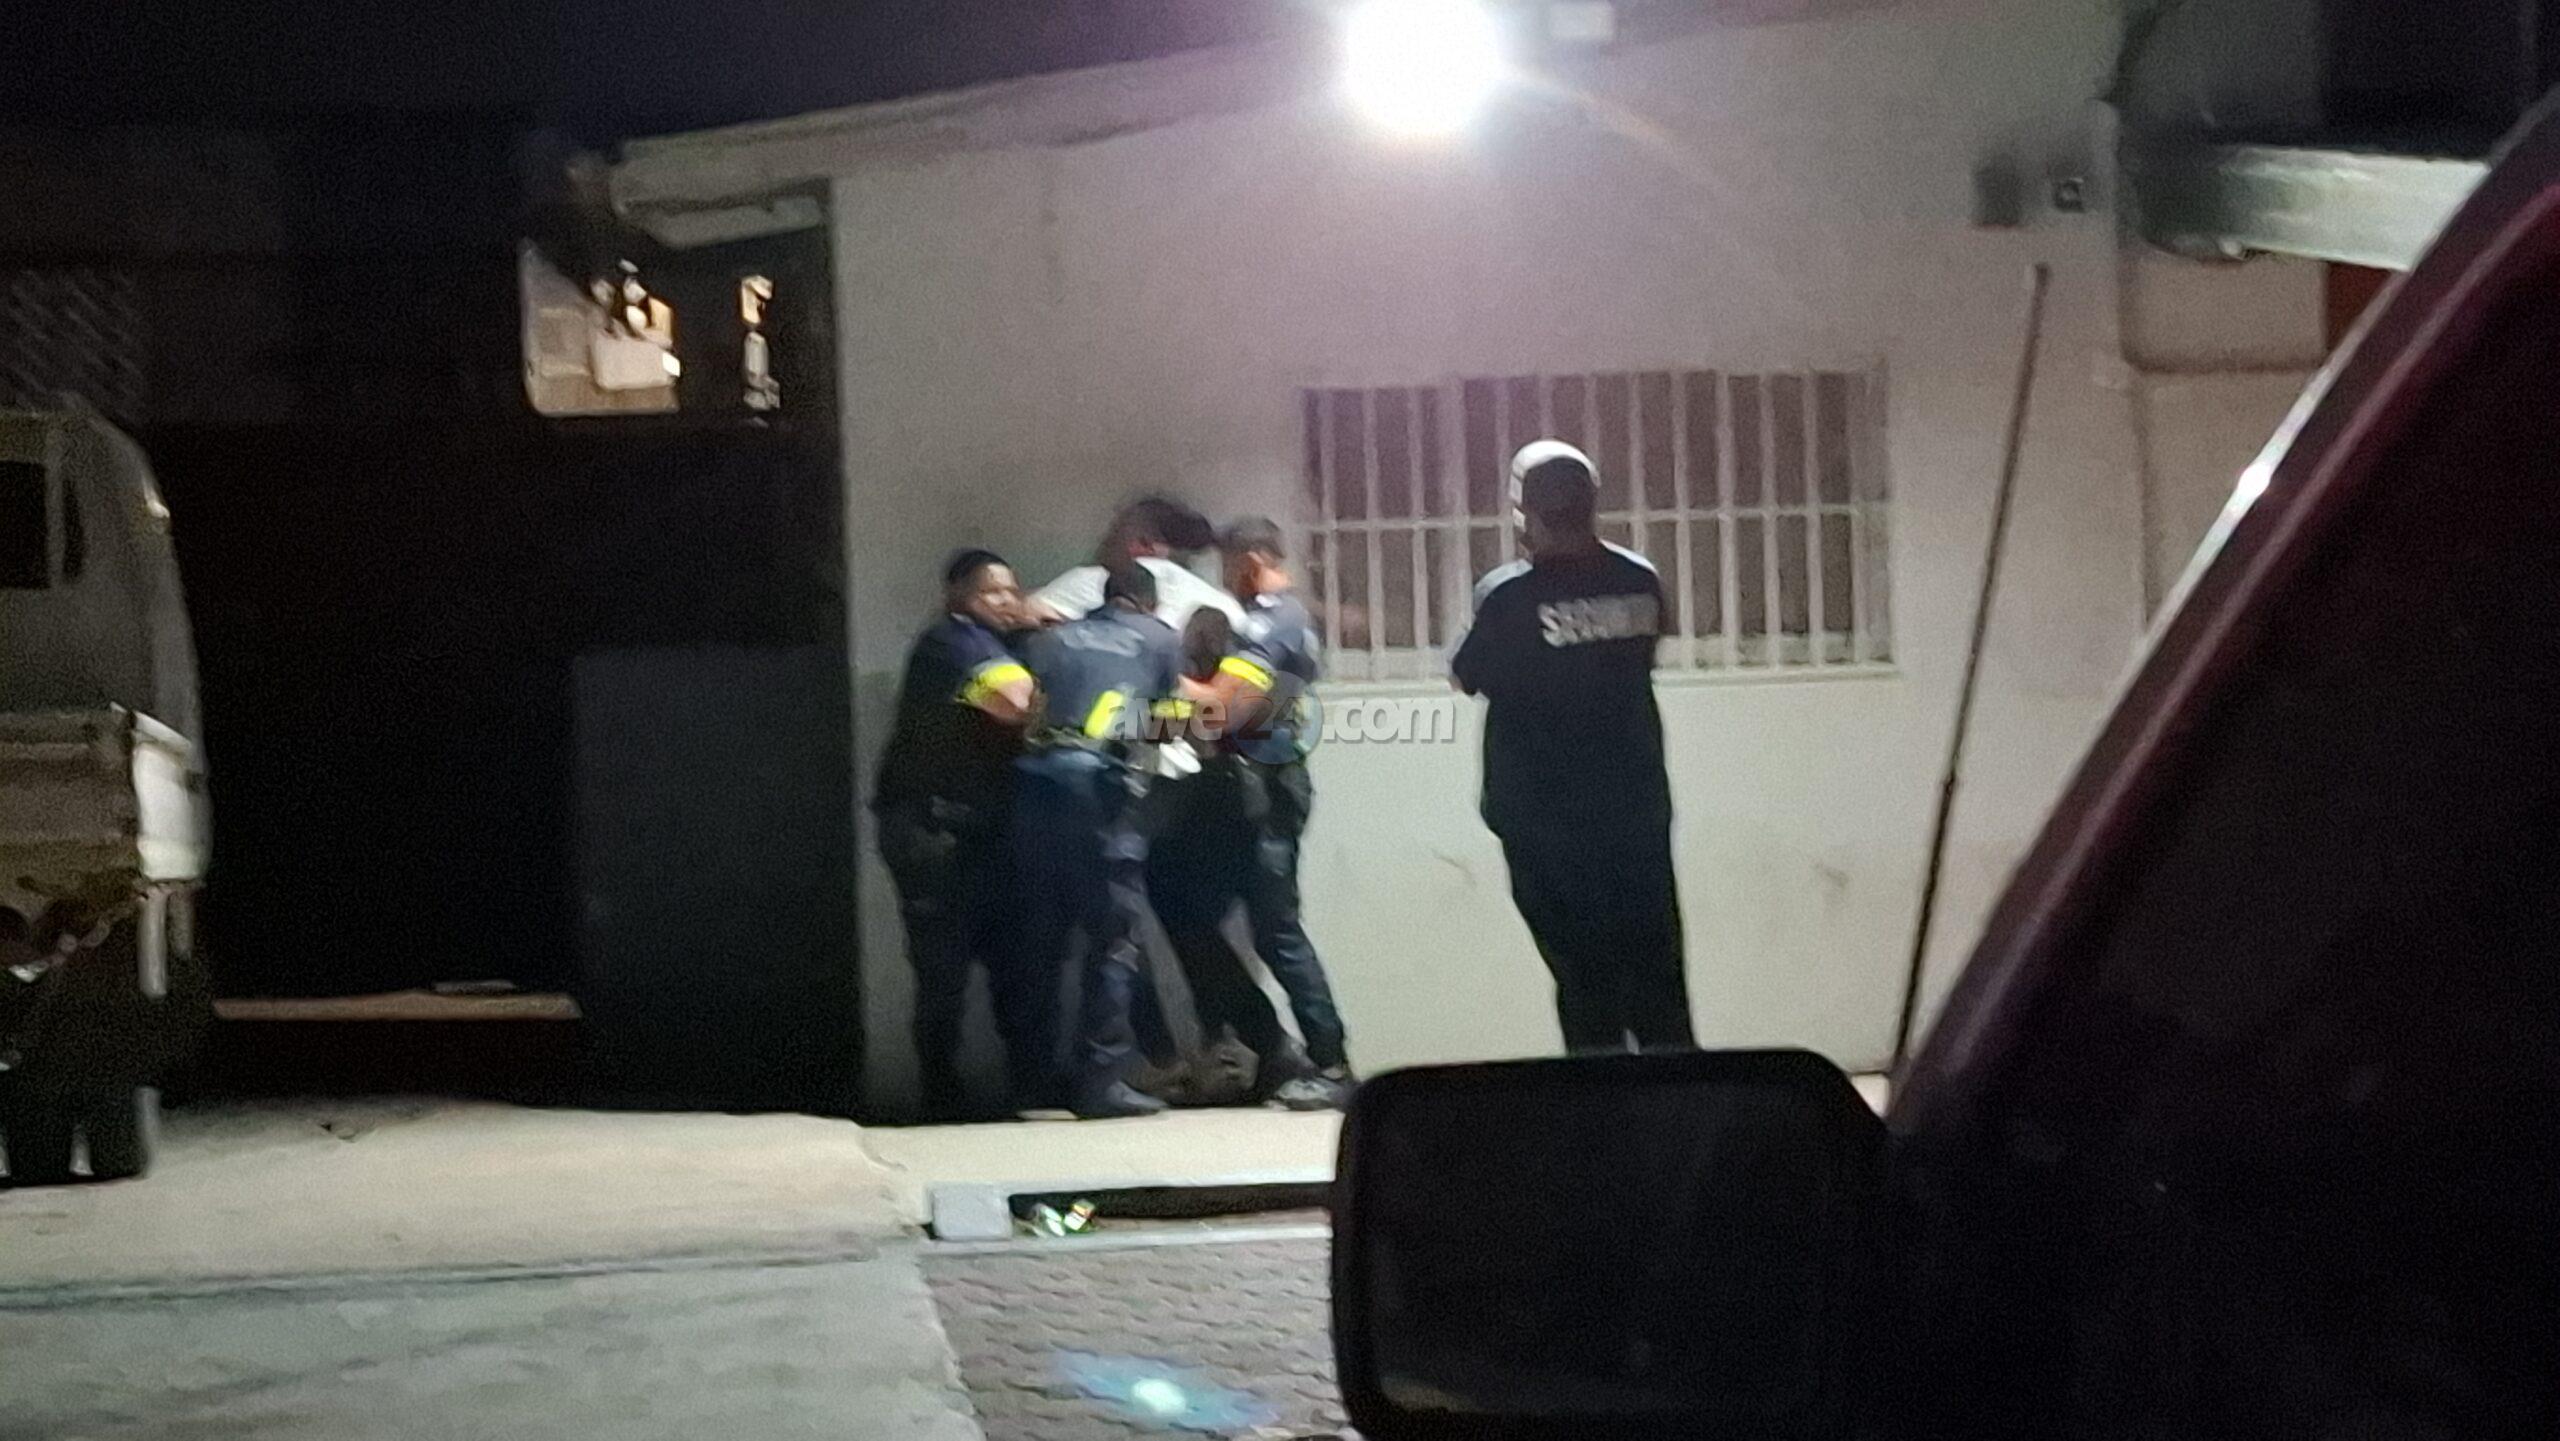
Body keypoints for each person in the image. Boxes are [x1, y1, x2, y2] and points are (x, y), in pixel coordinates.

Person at [1451, 441, 1696, 1054]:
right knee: (1656, 966)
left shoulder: (1508, 596)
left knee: (1584, 974)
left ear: (1524, 513)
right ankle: (1682, 1092)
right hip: (1635, 807)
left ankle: (1601, 1097)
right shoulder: (1639, 579)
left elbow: (1467, 675)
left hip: (1545, 818)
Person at [1151, 518, 1356, 1108]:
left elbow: (1225, 710)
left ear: (1254, 559)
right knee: (1185, 910)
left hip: (1263, 793)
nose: (1224, 578)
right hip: (1236, 793)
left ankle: (1331, 1062)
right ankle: (1268, 1047)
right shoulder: (1257, 617)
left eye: (1229, 565)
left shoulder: (1275, 620)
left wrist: (1152, 674)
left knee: (1277, 931)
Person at [1010, 562, 1189, 1118]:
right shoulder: (1160, 638)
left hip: (1036, 789)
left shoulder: (1052, 639)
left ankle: (1032, 1082)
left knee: (1041, 939)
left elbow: (1028, 709)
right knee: (1113, 941)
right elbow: (1170, 722)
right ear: (1147, 602)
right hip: (1101, 796)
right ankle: (1101, 1081)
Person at [872, 550, 1040, 1119]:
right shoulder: (952, 641)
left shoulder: (997, 645)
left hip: (980, 829)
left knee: (1012, 959)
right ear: (958, 597)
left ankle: (1025, 1084)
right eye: (992, 591)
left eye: (1012, 591)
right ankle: (940, 1094)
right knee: (943, 966)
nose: (1007, 601)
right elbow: (1015, 704)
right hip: (932, 830)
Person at [1027, 496, 1245, 631]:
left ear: (1142, 544)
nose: (1105, 543)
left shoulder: (1092, 581)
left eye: (1115, 533)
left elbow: (1028, 615)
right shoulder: (1225, 605)